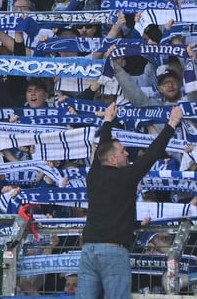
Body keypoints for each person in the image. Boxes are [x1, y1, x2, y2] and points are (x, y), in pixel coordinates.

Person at [78, 103, 183, 299]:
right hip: (113, 252)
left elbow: (103, 147)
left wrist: (108, 121)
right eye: (123, 152)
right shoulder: (125, 176)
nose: (127, 153)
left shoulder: (93, 174)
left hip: (88, 251)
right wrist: (171, 124)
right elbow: (151, 154)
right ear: (112, 160)